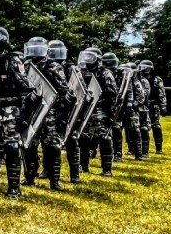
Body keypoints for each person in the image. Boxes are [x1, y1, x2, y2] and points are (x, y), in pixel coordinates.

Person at [0, 27, 37, 198]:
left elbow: (29, 91)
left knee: (11, 147)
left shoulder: (13, 61)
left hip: (10, 110)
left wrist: (24, 117)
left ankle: (14, 188)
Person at [23, 37, 74, 190]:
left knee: (52, 147)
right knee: (29, 146)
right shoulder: (26, 66)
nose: (35, 52)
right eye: (32, 48)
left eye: (38, 49)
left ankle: (54, 181)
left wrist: (61, 115)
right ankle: (30, 178)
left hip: (50, 112)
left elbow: (65, 92)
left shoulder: (53, 66)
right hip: (32, 111)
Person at [78, 48, 118, 176]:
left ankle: (106, 169)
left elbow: (113, 93)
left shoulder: (105, 73)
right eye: (86, 56)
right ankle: (83, 166)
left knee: (104, 139)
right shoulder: (81, 72)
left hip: (101, 110)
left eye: (90, 56)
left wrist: (109, 110)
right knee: (83, 138)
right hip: (85, 110)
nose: (87, 59)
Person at [139, 60, 167, 154]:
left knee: (156, 126)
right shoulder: (139, 78)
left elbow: (161, 94)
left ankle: (159, 148)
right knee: (142, 127)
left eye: (147, 68)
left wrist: (163, 107)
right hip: (142, 106)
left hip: (154, 105)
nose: (145, 70)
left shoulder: (156, 79)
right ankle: (142, 150)